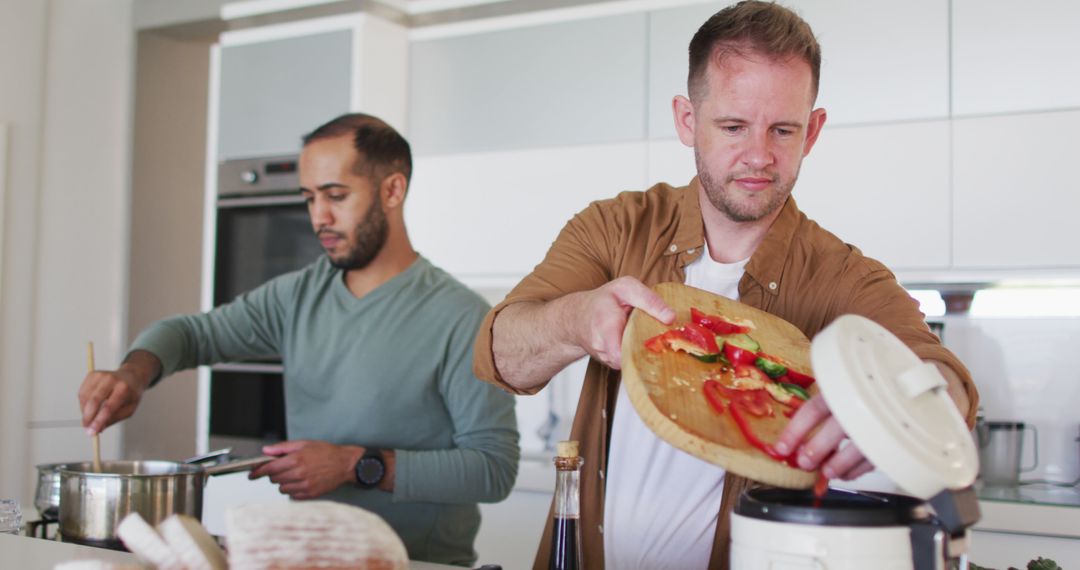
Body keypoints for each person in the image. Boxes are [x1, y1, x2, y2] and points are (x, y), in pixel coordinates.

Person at [472, 2, 978, 569]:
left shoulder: (845, 278)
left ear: (811, 131)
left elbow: (948, 387)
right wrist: (574, 321)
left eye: (782, 129)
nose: (759, 156)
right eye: (733, 126)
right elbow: (499, 355)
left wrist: (886, 408)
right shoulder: (616, 228)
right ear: (688, 120)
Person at [79, 113, 520, 567]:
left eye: (336, 195)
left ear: (392, 190)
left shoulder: (462, 317)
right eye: (309, 198)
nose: (319, 217)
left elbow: (493, 469)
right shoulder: (297, 296)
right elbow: (191, 334)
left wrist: (355, 465)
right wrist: (133, 372)